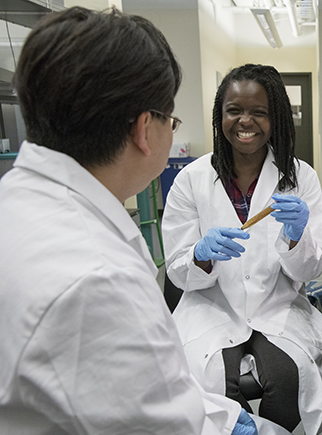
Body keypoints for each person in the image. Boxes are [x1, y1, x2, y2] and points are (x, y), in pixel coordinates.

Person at [0, 7, 259, 435]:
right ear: (144, 129)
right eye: (171, 120)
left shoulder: (19, 201)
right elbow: (164, 424)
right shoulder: (98, 278)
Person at [162, 64, 322, 435]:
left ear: (276, 119)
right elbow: (176, 268)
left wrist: (297, 234)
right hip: (211, 305)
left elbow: (309, 271)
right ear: (220, 115)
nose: (245, 121)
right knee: (212, 382)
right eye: (234, 110)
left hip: (277, 303)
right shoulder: (191, 180)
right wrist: (201, 255)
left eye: (259, 112)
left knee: (289, 379)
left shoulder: (300, 177)